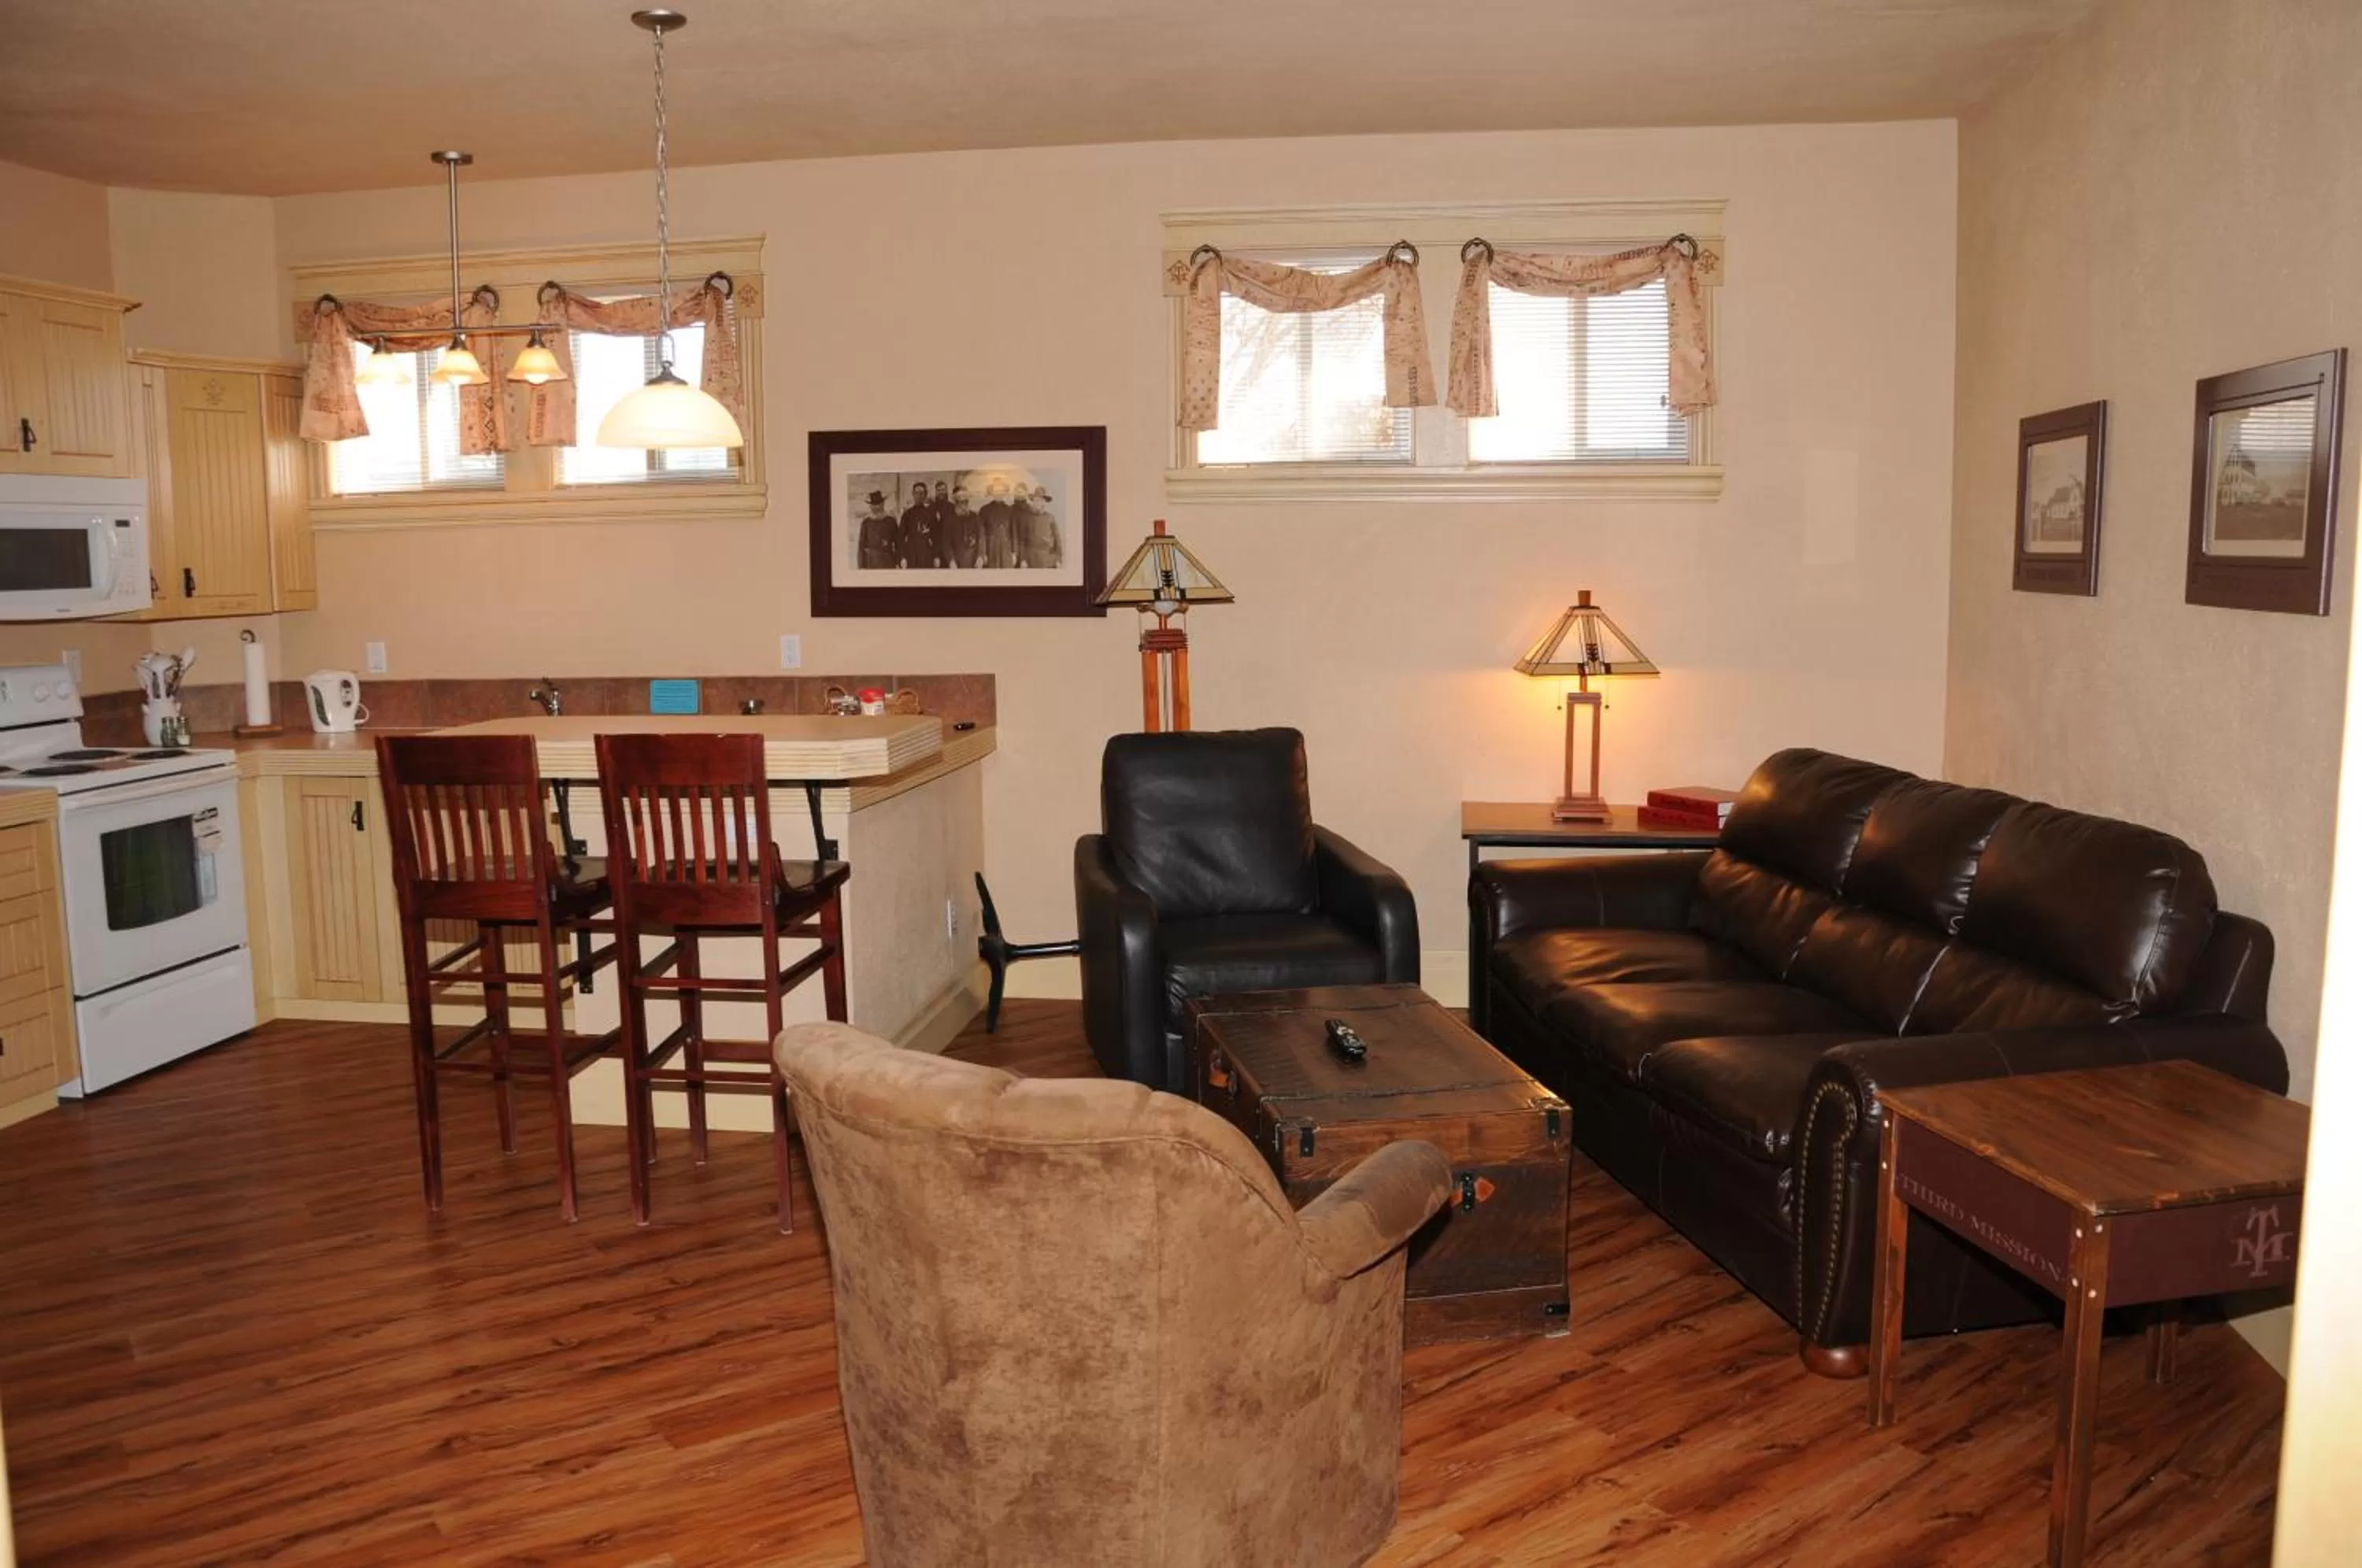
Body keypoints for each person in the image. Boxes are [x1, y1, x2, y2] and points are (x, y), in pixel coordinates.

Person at [898, 481, 942, 569]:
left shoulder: (931, 514)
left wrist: (937, 556)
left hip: (927, 554)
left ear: (925, 495)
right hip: (912, 555)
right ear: (913, 494)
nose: (919, 496)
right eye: (917, 493)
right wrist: (902, 557)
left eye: (922, 493)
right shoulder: (907, 514)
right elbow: (900, 537)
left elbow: (937, 537)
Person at [979, 476, 1016, 569]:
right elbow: (981, 534)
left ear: (1004, 493)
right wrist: (983, 554)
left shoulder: (1010, 510)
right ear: (992, 493)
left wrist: (1014, 553)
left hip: (1006, 549)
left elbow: (1013, 533)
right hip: (991, 549)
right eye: (996, 492)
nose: (999, 494)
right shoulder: (984, 510)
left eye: (1001, 491)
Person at [1020, 484, 1061, 569]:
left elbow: (1057, 540)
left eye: (1041, 500)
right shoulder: (1026, 518)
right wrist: (1023, 559)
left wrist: (1058, 560)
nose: (1038, 503)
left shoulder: (1050, 518)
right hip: (1031, 558)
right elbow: (1022, 540)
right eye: (1036, 500)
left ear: (1044, 502)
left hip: (1048, 558)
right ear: (1033, 501)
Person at [943, 483, 983, 568]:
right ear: (955, 502)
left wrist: (980, 557)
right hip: (956, 562)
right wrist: (951, 560)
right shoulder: (949, 520)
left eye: (965, 501)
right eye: (959, 502)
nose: (962, 504)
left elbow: (981, 539)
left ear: (968, 501)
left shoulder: (975, 517)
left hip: (974, 560)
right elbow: (947, 543)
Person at [857, 489, 898, 569]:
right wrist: (861, 566)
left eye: (879, 504)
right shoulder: (866, 523)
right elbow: (861, 546)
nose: (877, 507)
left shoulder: (891, 521)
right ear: (870, 506)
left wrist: (898, 561)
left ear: (883, 504)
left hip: (888, 562)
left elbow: (897, 543)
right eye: (874, 505)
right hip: (871, 563)